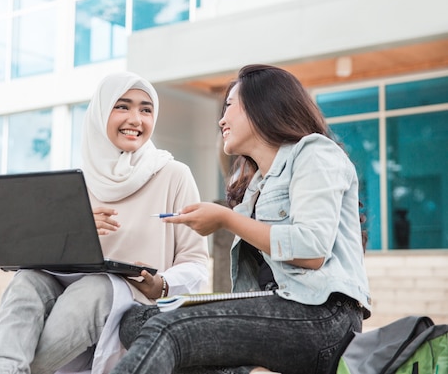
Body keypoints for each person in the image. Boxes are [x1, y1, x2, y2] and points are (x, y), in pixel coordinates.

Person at [110, 64, 372, 374]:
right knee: (136, 322)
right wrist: (162, 287)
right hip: (277, 309)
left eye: (230, 106)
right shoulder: (256, 188)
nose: (221, 119)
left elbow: (311, 251)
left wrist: (225, 218)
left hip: (324, 317)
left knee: (170, 328)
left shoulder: (314, 153)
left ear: (263, 105)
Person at [0, 71, 210, 374]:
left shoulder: (173, 175)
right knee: (26, 282)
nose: (135, 119)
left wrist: (163, 284)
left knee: (96, 286)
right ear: (100, 113)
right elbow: (38, 256)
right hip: (65, 292)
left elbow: (196, 262)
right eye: (122, 106)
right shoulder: (76, 180)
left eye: (146, 109)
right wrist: (71, 228)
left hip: (127, 298)